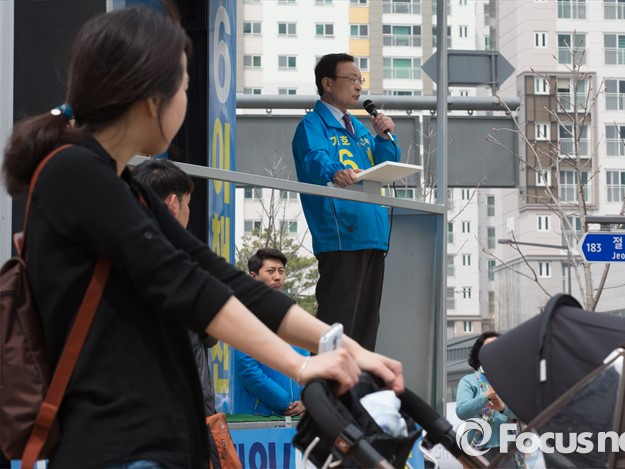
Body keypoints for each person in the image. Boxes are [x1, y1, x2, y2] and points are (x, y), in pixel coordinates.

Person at [1, 6, 403, 469]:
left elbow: (223, 278)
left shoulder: (128, 190)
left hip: (157, 442)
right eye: (184, 88)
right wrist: (300, 364)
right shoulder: (74, 174)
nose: (186, 101)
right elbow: (186, 283)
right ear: (151, 97)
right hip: (117, 449)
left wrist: (349, 348)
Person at [291, 53, 400, 351]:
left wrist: (384, 138)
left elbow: (383, 166)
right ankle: (323, 380)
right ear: (327, 83)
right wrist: (334, 172)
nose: (358, 86)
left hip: (373, 233)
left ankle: (357, 381)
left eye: (360, 80)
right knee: (337, 324)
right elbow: (314, 159)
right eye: (351, 79)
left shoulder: (359, 128)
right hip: (341, 235)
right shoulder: (313, 124)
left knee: (366, 327)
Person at [131, 158, 218, 417]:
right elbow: (212, 333)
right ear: (173, 205)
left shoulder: (114, 256)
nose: (188, 211)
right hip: (185, 406)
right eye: (187, 204)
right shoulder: (186, 265)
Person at [233, 248, 309, 417]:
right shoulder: (243, 315)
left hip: (296, 416)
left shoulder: (291, 314)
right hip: (258, 417)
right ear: (253, 276)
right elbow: (246, 369)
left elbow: (305, 361)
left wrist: (306, 399)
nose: (277, 277)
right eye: (271, 271)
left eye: (281, 271)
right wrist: (285, 402)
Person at [456, 332, 520, 463]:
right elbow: (461, 412)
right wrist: (486, 396)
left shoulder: (512, 381)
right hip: (480, 451)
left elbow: (524, 413)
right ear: (479, 355)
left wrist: (503, 408)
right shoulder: (469, 381)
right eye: (489, 347)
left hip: (510, 449)